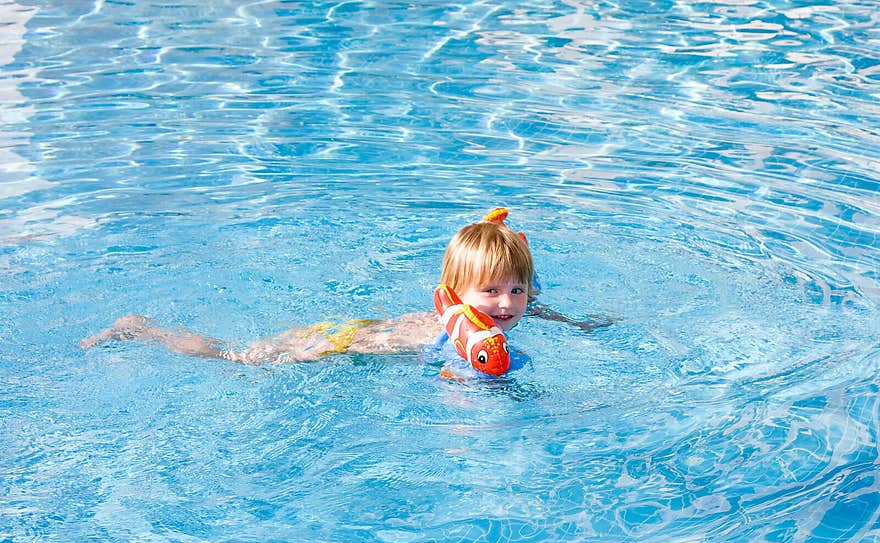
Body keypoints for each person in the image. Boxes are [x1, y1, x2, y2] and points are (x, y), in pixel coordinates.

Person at [80, 209, 616, 370]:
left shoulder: (510, 312)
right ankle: (143, 331)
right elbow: (458, 382)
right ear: (452, 296)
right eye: (492, 291)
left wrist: (585, 326)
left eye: (517, 290)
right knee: (238, 359)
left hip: (364, 330)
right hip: (345, 341)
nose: (507, 304)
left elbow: (538, 310)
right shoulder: (457, 339)